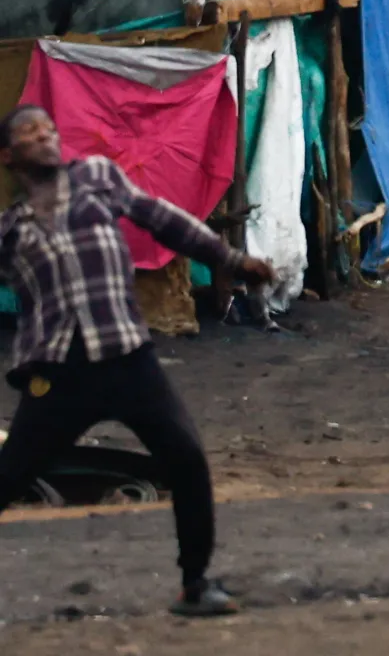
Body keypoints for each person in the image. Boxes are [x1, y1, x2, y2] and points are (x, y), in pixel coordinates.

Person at [0, 106, 277, 617]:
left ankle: (195, 584)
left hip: (127, 357)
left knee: (187, 459)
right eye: (28, 132)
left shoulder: (97, 179)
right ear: (9, 156)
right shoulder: (10, 228)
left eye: (48, 128)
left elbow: (166, 222)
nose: (43, 136)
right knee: (10, 476)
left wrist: (231, 261)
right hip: (58, 374)